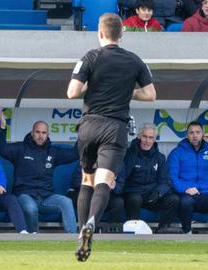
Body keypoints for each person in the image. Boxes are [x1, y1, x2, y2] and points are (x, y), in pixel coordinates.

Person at [67, 13, 156, 261]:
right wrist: (126, 92)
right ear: (122, 34)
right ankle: (92, 224)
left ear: (100, 32)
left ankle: (81, 232)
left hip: (89, 125)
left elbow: (72, 92)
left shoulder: (91, 56)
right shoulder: (134, 60)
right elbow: (150, 94)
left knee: (87, 180)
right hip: (115, 127)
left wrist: (92, 88)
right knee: (104, 181)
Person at [0, 110, 78, 234]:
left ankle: (73, 238)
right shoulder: (21, 148)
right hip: (24, 195)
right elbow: (1, 148)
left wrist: (83, 134)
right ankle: (34, 237)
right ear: (32, 133)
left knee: (66, 202)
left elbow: (74, 154)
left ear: (48, 134)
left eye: (44, 133)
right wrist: (2, 127)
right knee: (30, 207)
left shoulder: (53, 151)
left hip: (46, 198)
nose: (41, 135)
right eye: (38, 132)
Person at [168, 121, 208, 234]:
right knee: (185, 202)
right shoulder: (177, 152)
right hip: (187, 193)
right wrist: (185, 189)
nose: (194, 135)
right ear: (186, 135)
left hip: (207, 193)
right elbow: (171, 177)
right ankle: (187, 233)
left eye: (198, 132)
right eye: (191, 132)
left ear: (203, 134)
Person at [116, 123, 180, 233]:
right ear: (139, 137)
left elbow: (166, 180)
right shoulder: (128, 154)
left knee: (173, 199)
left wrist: (159, 193)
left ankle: (163, 228)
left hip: (152, 195)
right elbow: (123, 175)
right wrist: (134, 152)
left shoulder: (160, 157)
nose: (147, 141)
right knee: (134, 199)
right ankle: (133, 231)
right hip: (133, 193)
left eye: (151, 138)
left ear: (155, 139)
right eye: (145, 137)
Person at [68, 164, 124, 228]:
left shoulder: (118, 163)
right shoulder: (89, 159)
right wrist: (95, 183)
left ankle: (111, 230)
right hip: (86, 191)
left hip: (106, 194)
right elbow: (76, 181)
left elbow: (120, 188)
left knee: (118, 202)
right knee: (86, 198)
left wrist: (113, 186)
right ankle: (84, 229)